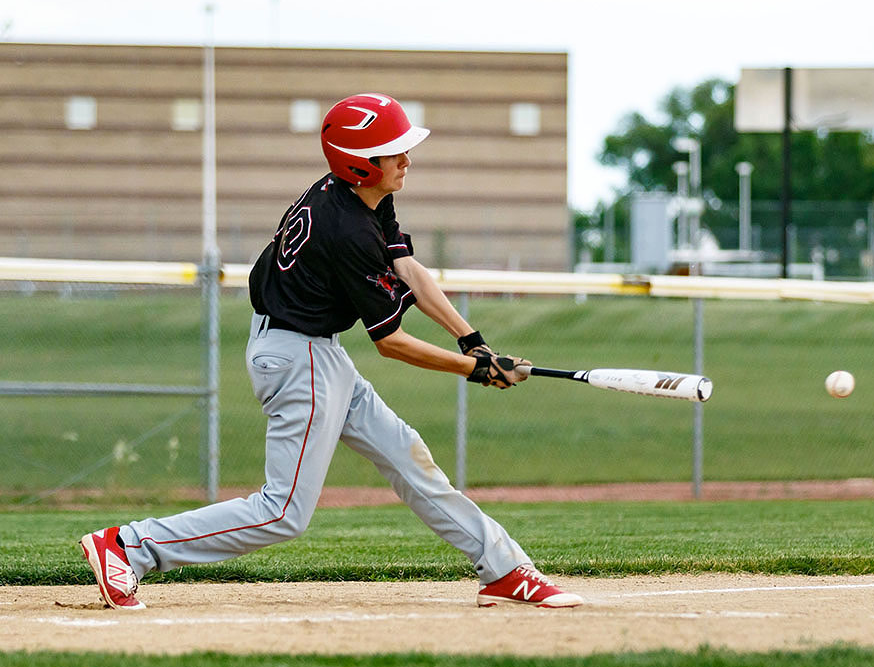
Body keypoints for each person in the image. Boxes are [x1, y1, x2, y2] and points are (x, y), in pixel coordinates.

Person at [79, 92, 584, 610]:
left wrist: (473, 341)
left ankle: (503, 569)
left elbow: (408, 269)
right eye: (394, 151)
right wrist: (473, 372)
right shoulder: (348, 231)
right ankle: (128, 546)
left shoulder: (361, 195)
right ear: (360, 164)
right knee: (283, 513)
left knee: (410, 458)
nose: (406, 159)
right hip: (300, 359)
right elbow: (390, 343)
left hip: (315, 351)